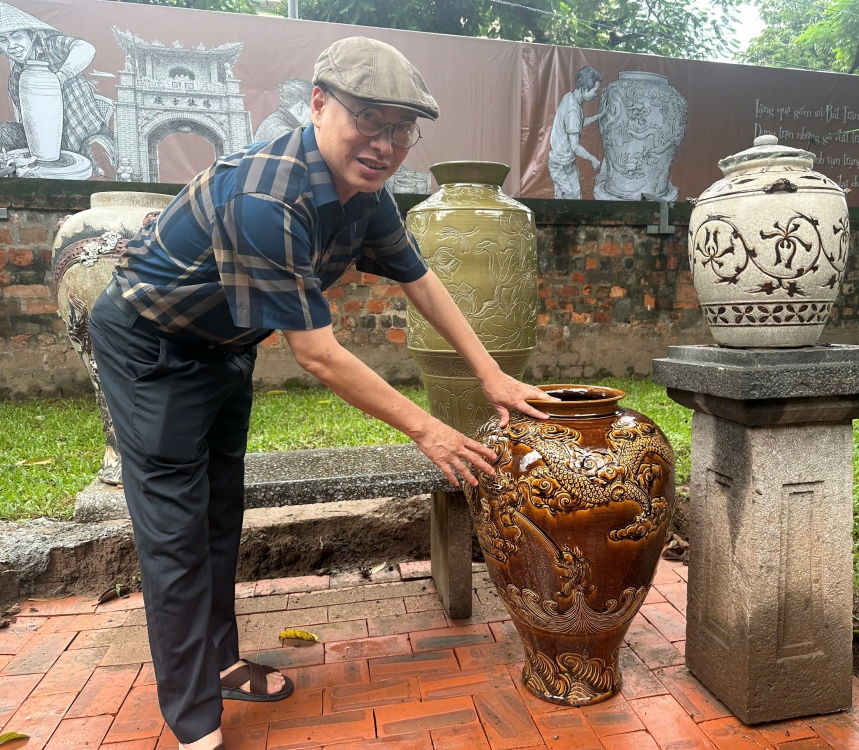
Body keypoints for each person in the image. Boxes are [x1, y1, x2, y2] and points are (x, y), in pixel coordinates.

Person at [88, 36, 554, 750]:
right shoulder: (265, 197)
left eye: (402, 127)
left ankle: (220, 662)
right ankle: (194, 723)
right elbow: (319, 355)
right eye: (368, 116)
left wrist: (492, 374)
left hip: (223, 350)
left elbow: (422, 280)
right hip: (151, 347)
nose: (385, 141)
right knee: (176, 534)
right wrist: (427, 429)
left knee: (216, 516)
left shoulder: (365, 198)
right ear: (317, 104)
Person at [0, 3, 113, 167]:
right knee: (4, 132)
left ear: (32, 35)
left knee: (99, 153)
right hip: (49, 145)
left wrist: (60, 77)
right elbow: (31, 123)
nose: (12, 46)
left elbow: (86, 48)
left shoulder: (52, 47)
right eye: (3, 40)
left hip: (87, 135)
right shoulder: (16, 78)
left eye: (17, 36)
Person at [547, 65, 603, 199]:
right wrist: (593, 159)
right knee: (573, 202)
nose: (595, 95)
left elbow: (579, 122)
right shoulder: (573, 110)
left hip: (561, 163)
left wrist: (600, 115)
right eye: (595, 91)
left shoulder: (570, 97)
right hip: (561, 165)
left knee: (564, 201)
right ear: (584, 89)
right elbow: (575, 146)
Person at [254, 78, 313, 142]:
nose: (315, 115)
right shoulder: (279, 129)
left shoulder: (275, 122)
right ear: (301, 107)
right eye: (313, 109)